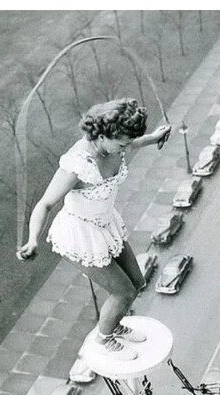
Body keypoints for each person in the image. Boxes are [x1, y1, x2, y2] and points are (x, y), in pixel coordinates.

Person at [18, 98, 171, 360]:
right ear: (101, 135)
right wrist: (32, 240)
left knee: (137, 282)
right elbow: (44, 204)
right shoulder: (77, 164)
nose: (125, 148)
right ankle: (104, 338)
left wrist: (154, 137)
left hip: (105, 224)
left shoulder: (113, 145)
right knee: (122, 292)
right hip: (80, 234)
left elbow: (133, 142)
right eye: (121, 144)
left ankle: (114, 324)